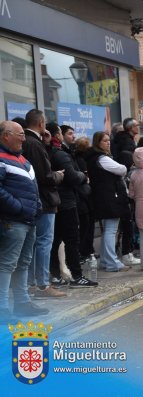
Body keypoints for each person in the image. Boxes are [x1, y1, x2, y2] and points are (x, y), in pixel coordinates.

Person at [0, 121, 49, 322]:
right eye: (20, 134)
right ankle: (2, 309)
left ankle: (22, 303)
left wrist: (34, 207)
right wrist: (18, 207)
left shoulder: (21, 159)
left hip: (28, 220)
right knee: (7, 264)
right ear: (5, 136)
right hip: (14, 220)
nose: (23, 138)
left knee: (23, 263)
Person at [22, 110, 66, 298]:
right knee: (43, 242)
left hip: (34, 200)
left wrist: (46, 142)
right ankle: (41, 284)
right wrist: (58, 175)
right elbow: (44, 176)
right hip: (44, 200)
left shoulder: (30, 142)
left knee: (34, 243)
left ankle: (33, 283)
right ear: (40, 123)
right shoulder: (34, 144)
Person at [46, 123, 96, 288]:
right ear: (57, 135)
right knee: (72, 240)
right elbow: (73, 177)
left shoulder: (53, 152)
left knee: (56, 240)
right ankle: (76, 276)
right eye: (63, 132)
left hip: (57, 201)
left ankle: (55, 276)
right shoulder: (60, 154)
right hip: (66, 202)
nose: (70, 136)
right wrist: (83, 175)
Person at [86, 132, 131, 272]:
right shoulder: (101, 158)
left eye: (108, 140)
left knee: (108, 230)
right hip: (110, 197)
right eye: (104, 141)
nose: (108, 143)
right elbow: (122, 169)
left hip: (105, 196)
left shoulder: (96, 158)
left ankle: (106, 261)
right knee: (111, 230)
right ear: (98, 143)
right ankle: (112, 262)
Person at [73, 136, 95, 264]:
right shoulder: (82, 160)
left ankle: (86, 251)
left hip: (83, 197)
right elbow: (85, 178)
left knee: (85, 225)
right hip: (85, 197)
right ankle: (85, 251)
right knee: (86, 225)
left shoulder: (78, 158)